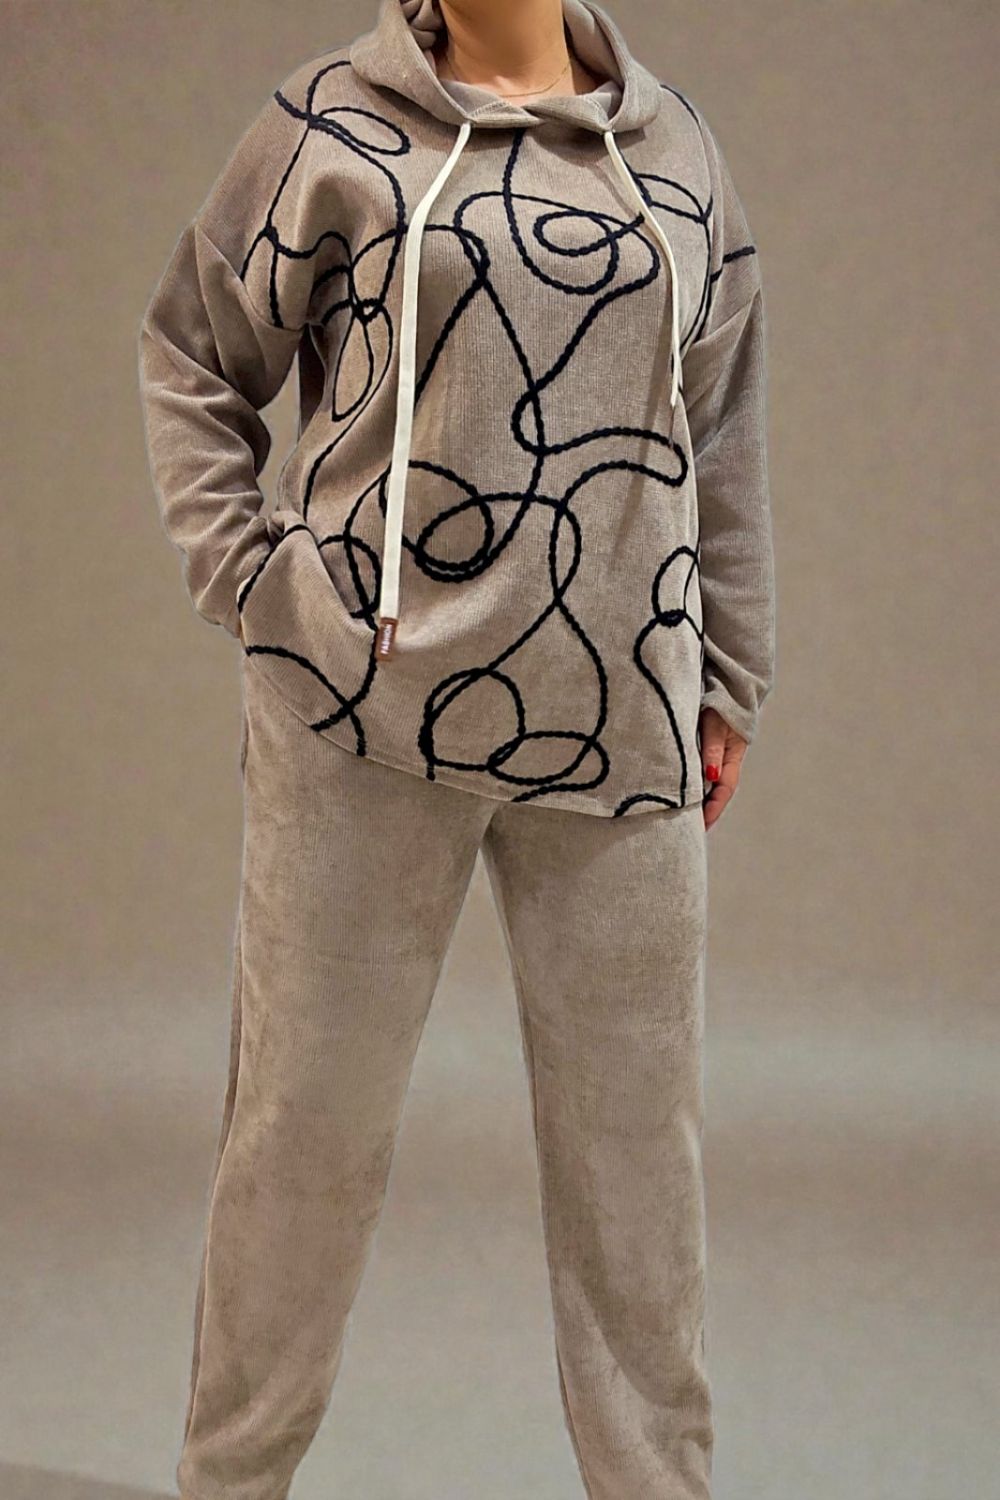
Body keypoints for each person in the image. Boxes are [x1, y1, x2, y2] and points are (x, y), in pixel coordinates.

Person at [137, 0, 776, 1495]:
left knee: (641, 1186)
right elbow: (189, 349)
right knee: (301, 1144)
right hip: (359, 727)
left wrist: (729, 673)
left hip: (618, 730)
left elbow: (724, 426)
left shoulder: (678, 154)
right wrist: (253, 580)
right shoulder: (330, 126)